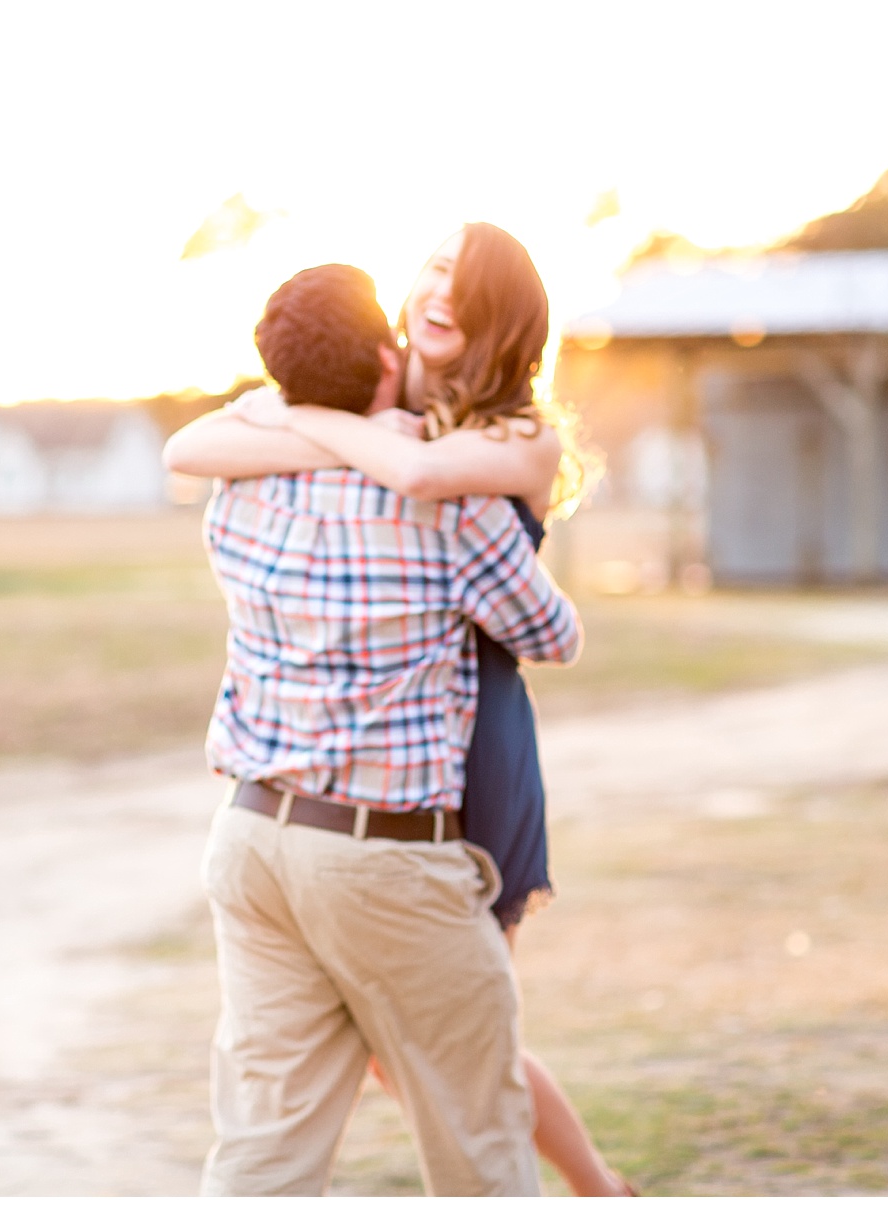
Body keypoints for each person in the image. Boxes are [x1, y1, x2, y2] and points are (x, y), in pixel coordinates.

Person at [165, 225, 632, 1196]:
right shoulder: (449, 499)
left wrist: (312, 422)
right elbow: (550, 631)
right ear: (387, 352)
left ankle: (601, 1184)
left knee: (263, 1148)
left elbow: (190, 451)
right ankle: (600, 1187)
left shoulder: (246, 477)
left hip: (253, 836)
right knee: (478, 1132)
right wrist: (381, 440)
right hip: (388, 848)